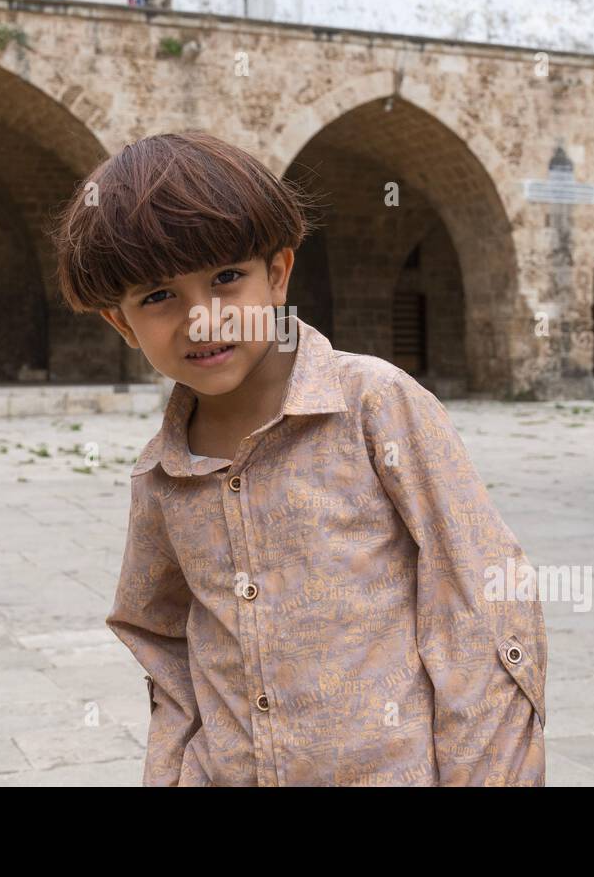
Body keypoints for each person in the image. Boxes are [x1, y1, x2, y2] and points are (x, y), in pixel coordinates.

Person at [50, 131, 547, 786]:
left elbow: (481, 599)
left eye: (227, 278)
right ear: (122, 323)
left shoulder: (375, 407)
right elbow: (164, 647)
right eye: (158, 296)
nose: (203, 320)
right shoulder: (161, 478)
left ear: (278, 272)